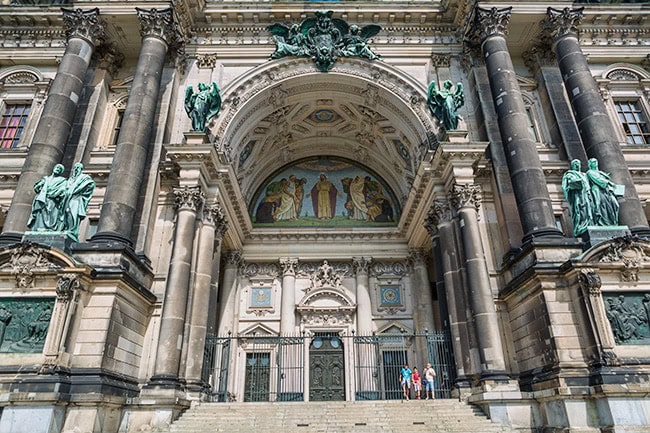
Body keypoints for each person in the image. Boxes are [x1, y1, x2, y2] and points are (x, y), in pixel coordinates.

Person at [27, 163, 68, 232]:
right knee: (40, 213)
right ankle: (38, 228)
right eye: (57, 167)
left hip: (52, 200)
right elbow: (36, 188)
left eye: (60, 169)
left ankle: (48, 229)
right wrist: (39, 186)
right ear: (53, 168)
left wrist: (58, 193)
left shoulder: (62, 180)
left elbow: (64, 190)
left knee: (51, 215)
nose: (58, 169)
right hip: (42, 198)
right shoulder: (46, 179)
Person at [63, 162, 95, 242]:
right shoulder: (70, 179)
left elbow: (91, 184)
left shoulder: (84, 177)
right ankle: (67, 229)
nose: (76, 169)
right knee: (66, 213)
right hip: (68, 199)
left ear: (81, 169)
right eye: (75, 168)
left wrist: (78, 190)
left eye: (78, 168)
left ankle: (72, 230)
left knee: (73, 214)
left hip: (76, 199)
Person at [586, 158, 622, 226]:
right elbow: (598, 180)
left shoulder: (601, 172)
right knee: (601, 205)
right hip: (597, 190)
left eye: (596, 162)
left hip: (607, 191)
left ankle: (612, 222)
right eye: (593, 162)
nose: (595, 163)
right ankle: (603, 223)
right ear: (590, 164)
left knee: (615, 204)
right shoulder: (590, 172)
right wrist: (609, 182)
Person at [561, 159, 593, 236]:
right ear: (572, 166)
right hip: (578, 195)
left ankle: (589, 224)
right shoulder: (570, 174)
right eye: (575, 164)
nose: (577, 165)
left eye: (578, 163)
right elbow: (566, 185)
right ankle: (582, 225)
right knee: (580, 210)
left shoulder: (584, 175)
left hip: (586, 194)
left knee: (588, 210)